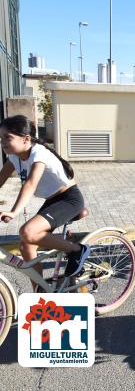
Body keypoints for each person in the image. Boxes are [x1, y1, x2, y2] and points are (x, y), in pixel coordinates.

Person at [0, 115, 91, 288]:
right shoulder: (14, 156)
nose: (3, 142)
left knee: (27, 231)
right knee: (26, 246)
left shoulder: (39, 153)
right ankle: (40, 292)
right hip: (53, 201)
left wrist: (13, 212)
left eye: (7, 138)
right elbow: (1, 178)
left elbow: (31, 184)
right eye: (1, 138)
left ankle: (76, 250)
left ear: (26, 139)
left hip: (69, 199)